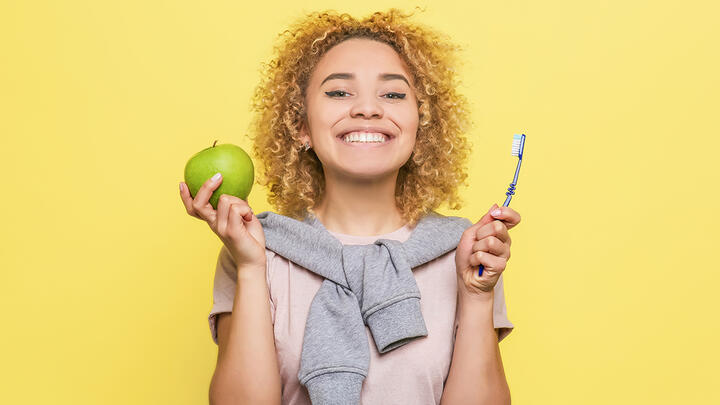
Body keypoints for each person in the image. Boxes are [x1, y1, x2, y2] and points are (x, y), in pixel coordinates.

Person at [179, 8, 522, 405]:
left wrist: (477, 295)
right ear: (301, 125)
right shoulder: (255, 249)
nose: (367, 108)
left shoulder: (465, 253)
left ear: (419, 125)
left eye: (393, 94)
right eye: (339, 92)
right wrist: (253, 268)